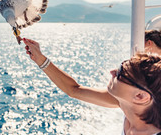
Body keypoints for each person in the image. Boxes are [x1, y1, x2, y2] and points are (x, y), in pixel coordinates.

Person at [23, 38, 161, 135]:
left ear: (140, 96)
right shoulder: (128, 104)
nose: (112, 72)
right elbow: (74, 90)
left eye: (120, 74)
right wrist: (40, 59)